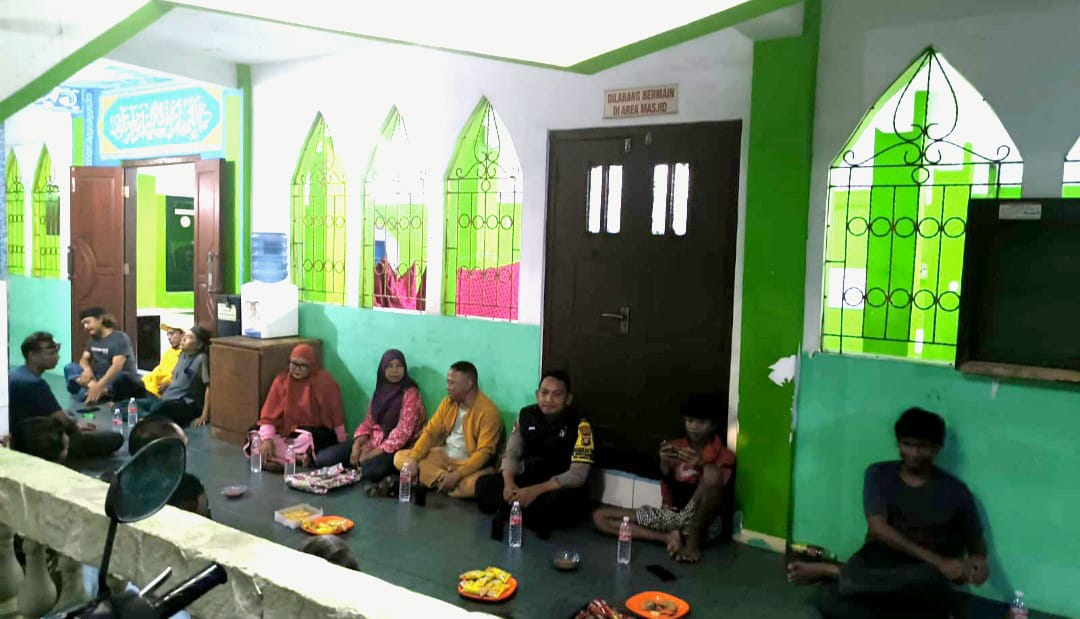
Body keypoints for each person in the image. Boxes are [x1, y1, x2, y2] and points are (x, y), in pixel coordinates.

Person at [788, 408, 988, 619]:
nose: (914, 453)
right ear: (898, 443)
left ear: (937, 448)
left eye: (922, 447)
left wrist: (979, 561)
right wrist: (941, 563)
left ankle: (835, 572)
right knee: (830, 599)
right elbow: (879, 528)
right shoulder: (879, 474)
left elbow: (975, 539)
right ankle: (848, 578)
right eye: (907, 444)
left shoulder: (956, 491)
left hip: (922, 571)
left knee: (924, 578)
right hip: (879, 560)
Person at [593, 394, 734, 563]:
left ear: (713, 425)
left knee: (713, 475)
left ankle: (692, 542)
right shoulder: (676, 446)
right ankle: (668, 538)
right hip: (673, 515)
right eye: (690, 421)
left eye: (701, 423)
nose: (694, 427)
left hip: (703, 523)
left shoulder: (724, 455)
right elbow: (667, 491)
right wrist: (665, 465)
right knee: (600, 517)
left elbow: (717, 488)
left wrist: (700, 464)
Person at [475, 370, 593, 538]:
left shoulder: (581, 425)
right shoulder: (526, 415)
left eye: (557, 395)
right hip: (529, 479)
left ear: (568, 399)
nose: (549, 399)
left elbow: (578, 474)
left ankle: (513, 511)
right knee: (483, 485)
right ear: (537, 395)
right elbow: (511, 453)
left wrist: (534, 492)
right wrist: (509, 483)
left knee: (556, 504)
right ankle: (526, 515)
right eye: (544, 393)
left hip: (556, 486)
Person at [394, 361, 504, 499]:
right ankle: (444, 480)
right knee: (400, 458)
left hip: (467, 464)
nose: (447, 387)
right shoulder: (448, 403)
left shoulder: (488, 413)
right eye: (447, 382)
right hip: (443, 457)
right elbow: (430, 433)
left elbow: (484, 454)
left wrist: (458, 474)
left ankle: (438, 481)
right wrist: (414, 459)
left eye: (452, 383)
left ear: (468, 385)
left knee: (472, 485)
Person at [9, 331, 123, 459]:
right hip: (38, 443)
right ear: (32, 355)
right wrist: (75, 428)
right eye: (51, 353)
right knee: (116, 438)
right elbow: (63, 420)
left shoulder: (16, 374)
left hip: (20, 436)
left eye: (56, 352)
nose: (57, 357)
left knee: (69, 413)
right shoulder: (35, 383)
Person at [325, 349, 425, 488]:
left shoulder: (410, 393)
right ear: (382, 369)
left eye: (399, 366)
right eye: (390, 366)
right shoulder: (380, 391)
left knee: (370, 471)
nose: (395, 370)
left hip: (397, 448)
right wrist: (356, 446)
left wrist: (371, 454)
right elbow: (368, 422)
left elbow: (402, 433)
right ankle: (357, 464)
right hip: (373, 441)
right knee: (324, 458)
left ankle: (371, 469)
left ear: (404, 368)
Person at [250, 344, 346, 470]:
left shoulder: (324, 382)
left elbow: (336, 412)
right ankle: (296, 458)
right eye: (294, 364)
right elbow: (268, 415)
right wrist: (267, 439)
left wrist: (342, 441)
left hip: (311, 431)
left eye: (302, 366)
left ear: (311, 366)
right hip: (285, 429)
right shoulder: (281, 381)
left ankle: (275, 458)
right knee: (255, 436)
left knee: (307, 439)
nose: (297, 369)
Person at [63, 307, 144, 403]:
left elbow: (117, 366)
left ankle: (102, 391)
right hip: (98, 378)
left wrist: (98, 386)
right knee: (70, 367)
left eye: (87, 322)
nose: (85, 327)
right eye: (83, 324)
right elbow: (83, 359)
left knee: (83, 395)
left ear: (100, 319)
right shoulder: (92, 340)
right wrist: (87, 370)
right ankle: (99, 390)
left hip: (117, 379)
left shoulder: (120, 337)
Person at [136, 326, 212, 428]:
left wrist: (204, 415)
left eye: (189, 337)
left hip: (185, 403)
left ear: (199, 345)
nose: (183, 339)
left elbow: (209, 387)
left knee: (161, 408)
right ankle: (144, 416)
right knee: (136, 403)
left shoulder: (201, 359)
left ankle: (146, 420)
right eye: (184, 336)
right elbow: (179, 378)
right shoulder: (181, 355)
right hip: (168, 397)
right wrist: (167, 384)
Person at [142, 324, 184, 397]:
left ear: (182, 334)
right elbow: (160, 369)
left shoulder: (185, 354)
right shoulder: (168, 352)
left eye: (172, 334)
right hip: (153, 385)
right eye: (168, 335)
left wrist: (169, 383)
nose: (169, 337)